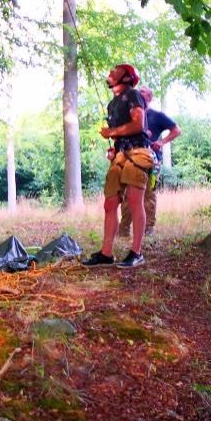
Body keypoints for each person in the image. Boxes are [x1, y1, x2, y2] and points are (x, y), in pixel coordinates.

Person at [83, 64, 154, 268]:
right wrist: (114, 149)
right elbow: (122, 133)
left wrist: (112, 132)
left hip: (138, 152)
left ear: (127, 77)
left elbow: (138, 125)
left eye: (116, 70)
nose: (111, 72)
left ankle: (136, 253)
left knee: (133, 200)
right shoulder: (112, 104)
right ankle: (106, 254)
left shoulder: (133, 95)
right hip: (120, 155)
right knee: (110, 204)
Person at [118, 86, 181, 239]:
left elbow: (176, 130)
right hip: (130, 160)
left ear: (150, 98)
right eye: (138, 92)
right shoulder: (130, 116)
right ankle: (124, 230)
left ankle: (148, 229)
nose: (139, 94)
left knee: (148, 195)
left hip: (151, 161)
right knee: (127, 194)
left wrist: (162, 141)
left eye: (143, 92)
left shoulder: (157, 116)